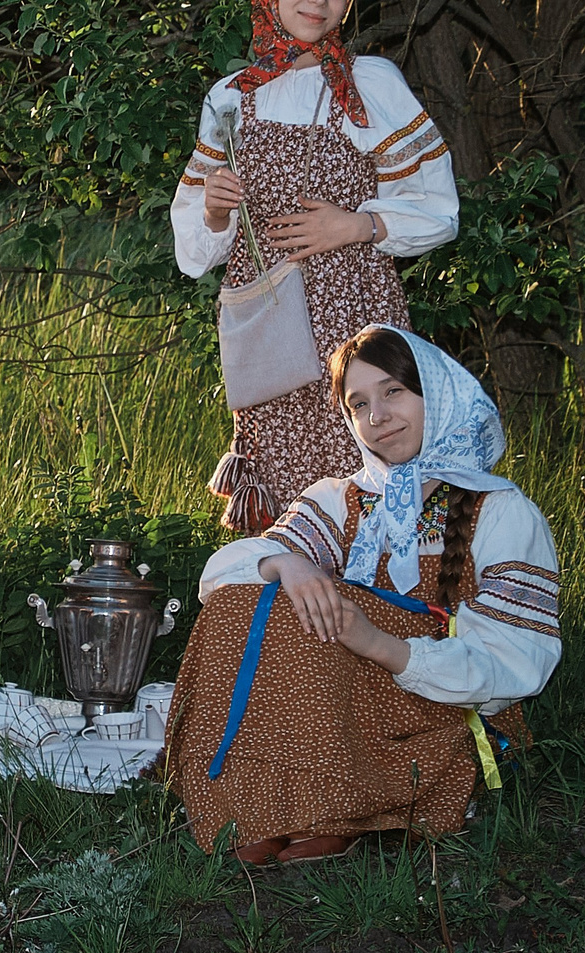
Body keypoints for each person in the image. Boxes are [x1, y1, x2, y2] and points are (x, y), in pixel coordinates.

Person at [165, 324, 560, 865]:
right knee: (245, 598)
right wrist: (288, 561)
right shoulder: (339, 498)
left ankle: (326, 809)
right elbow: (222, 575)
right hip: (334, 706)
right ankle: (254, 804)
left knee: (305, 612)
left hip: (437, 705)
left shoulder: (500, 510)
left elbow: (519, 663)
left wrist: (376, 642)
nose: (378, 417)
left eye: (394, 391)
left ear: (436, 393)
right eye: (359, 403)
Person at [174, 0, 460, 531]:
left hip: (353, 307)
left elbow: (439, 209)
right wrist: (218, 211)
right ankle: (286, 615)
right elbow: (195, 251)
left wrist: (355, 226)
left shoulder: (371, 84)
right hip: (268, 318)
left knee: (361, 460)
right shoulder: (230, 97)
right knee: (280, 475)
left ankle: (375, 610)